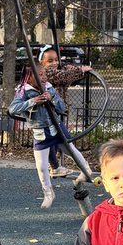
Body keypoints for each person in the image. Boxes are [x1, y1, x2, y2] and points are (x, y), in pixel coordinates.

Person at [7, 59, 69, 208]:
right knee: (41, 165)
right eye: (39, 74)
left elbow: (62, 107)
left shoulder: (50, 87)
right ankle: (48, 192)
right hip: (41, 131)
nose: (43, 77)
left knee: (70, 148)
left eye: (44, 74)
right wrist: (33, 101)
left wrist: (52, 98)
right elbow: (12, 109)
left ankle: (83, 169)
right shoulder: (25, 91)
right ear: (30, 78)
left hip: (55, 126)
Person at [37, 45, 90, 177]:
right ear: (41, 63)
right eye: (50, 61)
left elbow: (65, 75)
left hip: (56, 113)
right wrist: (80, 70)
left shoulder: (55, 73)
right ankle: (83, 168)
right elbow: (63, 76)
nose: (54, 63)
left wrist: (71, 69)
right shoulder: (46, 74)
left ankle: (55, 167)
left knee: (58, 143)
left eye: (56, 60)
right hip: (48, 116)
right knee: (65, 141)